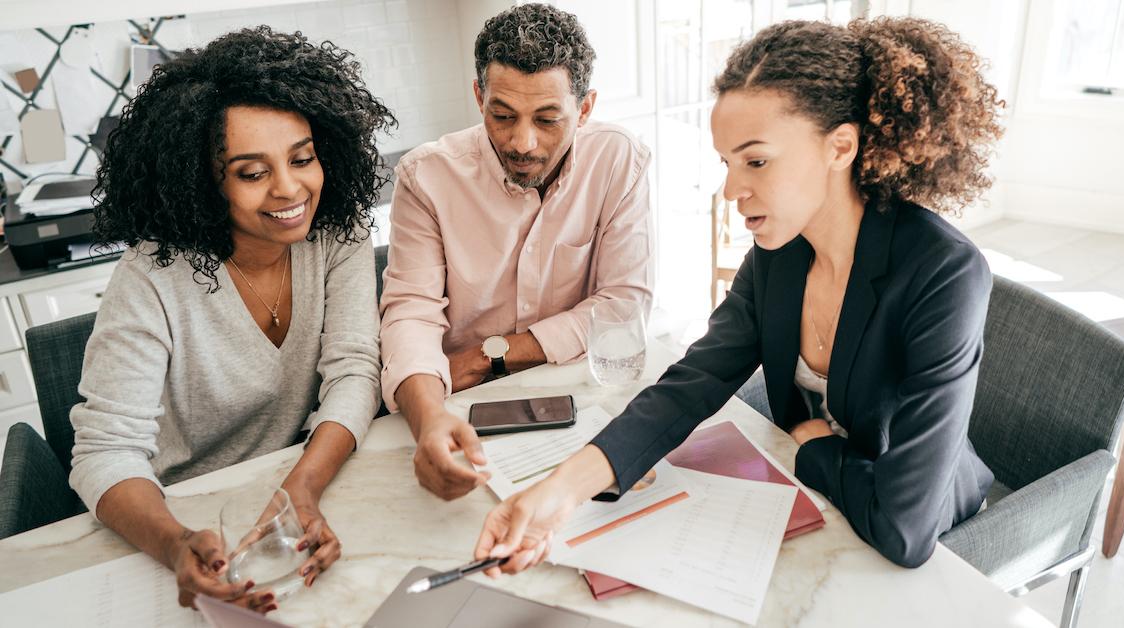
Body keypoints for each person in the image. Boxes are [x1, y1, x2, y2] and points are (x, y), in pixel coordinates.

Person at [472, 16, 1005, 574]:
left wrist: (813, 445)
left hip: (930, 542)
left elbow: (905, 531)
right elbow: (694, 380)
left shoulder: (942, 273)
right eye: (727, 163)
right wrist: (558, 494)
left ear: (840, 146)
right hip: (822, 502)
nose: (732, 190)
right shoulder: (781, 253)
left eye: (756, 161)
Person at [69, 27, 393, 613]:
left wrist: (302, 489)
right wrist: (175, 544)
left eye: (302, 158)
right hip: (180, 515)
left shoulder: (338, 234)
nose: (290, 188)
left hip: (299, 482)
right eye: (252, 172)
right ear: (203, 181)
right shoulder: (151, 278)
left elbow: (354, 371)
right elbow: (104, 454)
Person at [380, 4, 654, 501]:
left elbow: (623, 306)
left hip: (578, 394)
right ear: (478, 96)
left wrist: (492, 355)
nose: (522, 142)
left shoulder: (619, 159)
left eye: (548, 120)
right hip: (461, 405)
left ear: (585, 109)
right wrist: (428, 424)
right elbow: (410, 314)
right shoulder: (426, 177)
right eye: (501, 116)